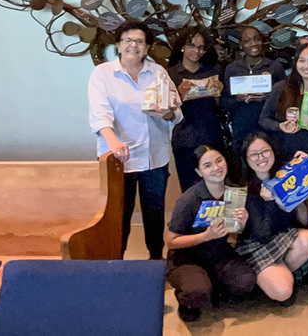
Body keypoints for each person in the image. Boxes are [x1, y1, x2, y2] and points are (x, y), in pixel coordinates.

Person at [88, 20, 182, 259]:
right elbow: (100, 116)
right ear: (118, 45)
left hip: (154, 156)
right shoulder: (103, 74)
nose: (133, 45)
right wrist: (114, 142)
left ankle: (155, 259)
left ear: (147, 47)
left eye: (139, 41)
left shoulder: (158, 72)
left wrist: (167, 113)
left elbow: (176, 113)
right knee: (119, 214)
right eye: (127, 40)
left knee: (154, 212)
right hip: (119, 157)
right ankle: (117, 262)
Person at [165, 145, 255, 322]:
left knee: (246, 281)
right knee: (197, 291)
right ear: (199, 172)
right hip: (187, 258)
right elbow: (171, 241)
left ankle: (211, 288)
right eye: (207, 165)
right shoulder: (189, 199)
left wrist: (242, 224)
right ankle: (188, 300)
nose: (216, 168)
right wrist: (205, 236)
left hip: (219, 254)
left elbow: (235, 231)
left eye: (219, 160)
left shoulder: (234, 191)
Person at [235, 133, 308, 305]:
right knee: (283, 291)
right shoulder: (244, 188)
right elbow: (262, 234)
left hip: (282, 235)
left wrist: (307, 164)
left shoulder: (283, 173)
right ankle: (273, 279)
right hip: (256, 243)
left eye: (265, 151)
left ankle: (279, 275)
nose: (261, 158)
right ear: (246, 159)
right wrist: (270, 202)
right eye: (254, 155)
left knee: (307, 239)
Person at [168, 27, 227, 192]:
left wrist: (219, 93)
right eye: (192, 45)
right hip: (184, 139)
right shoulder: (171, 74)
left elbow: (223, 106)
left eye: (201, 47)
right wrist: (178, 95)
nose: (196, 51)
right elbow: (166, 111)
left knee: (217, 186)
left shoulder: (213, 70)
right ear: (183, 46)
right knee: (190, 189)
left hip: (212, 135)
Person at [259, 42, 308, 165]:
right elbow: (263, 120)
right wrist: (280, 126)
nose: (306, 66)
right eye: (302, 61)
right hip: (279, 156)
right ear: (295, 63)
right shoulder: (280, 88)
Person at [222, 25, 286, 152]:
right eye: (247, 41)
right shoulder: (232, 69)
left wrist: (268, 98)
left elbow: (285, 98)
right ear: (240, 45)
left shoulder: (275, 67)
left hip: (269, 130)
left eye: (256, 39)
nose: (253, 44)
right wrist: (237, 99)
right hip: (242, 129)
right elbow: (224, 102)